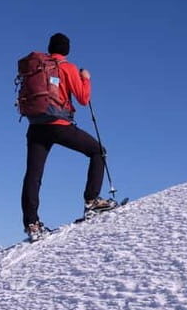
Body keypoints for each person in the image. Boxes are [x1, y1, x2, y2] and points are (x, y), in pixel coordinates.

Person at [21, 33, 116, 241]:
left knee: (33, 174)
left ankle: (32, 223)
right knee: (97, 151)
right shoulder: (68, 68)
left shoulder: (39, 67)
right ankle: (92, 200)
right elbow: (83, 99)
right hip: (60, 125)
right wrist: (85, 79)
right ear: (67, 50)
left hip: (36, 126)